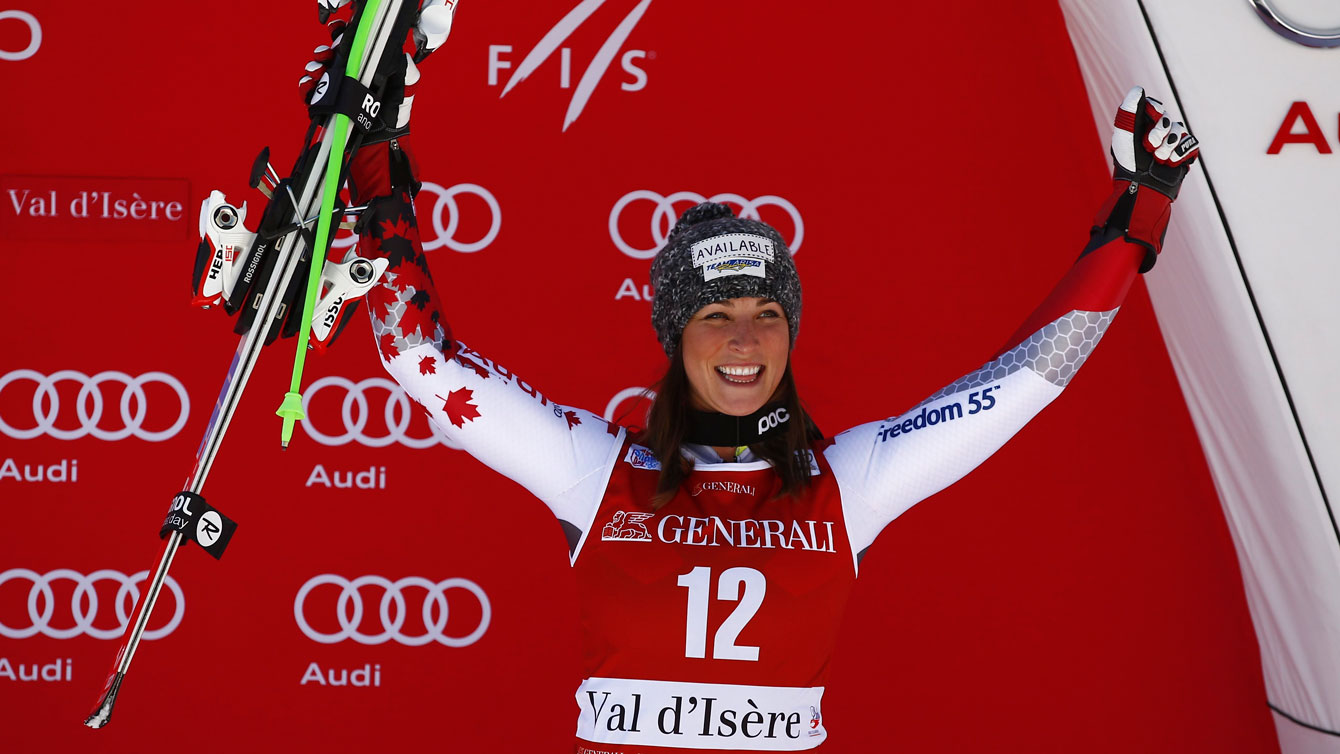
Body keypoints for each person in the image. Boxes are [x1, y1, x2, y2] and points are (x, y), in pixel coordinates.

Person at [303, 4, 1199, 750]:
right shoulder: (600, 473)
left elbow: (1027, 377)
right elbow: (421, 359)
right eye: (714, 313)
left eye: (767, 312)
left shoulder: (847, 484)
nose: (745, 338)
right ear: (673, 333)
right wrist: (378, 147)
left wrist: (1140, 213)